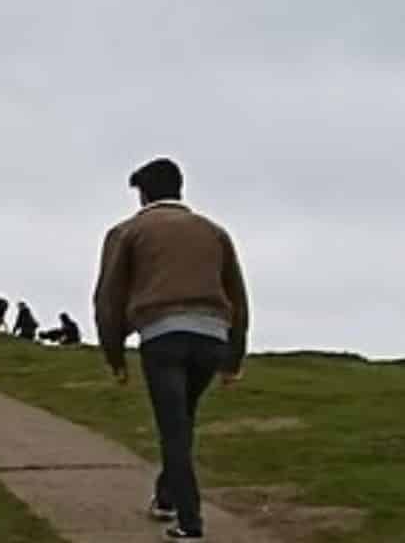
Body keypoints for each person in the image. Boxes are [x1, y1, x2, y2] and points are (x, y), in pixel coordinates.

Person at [92, 157, 250, 540]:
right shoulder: (214, 232)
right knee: (182, 421)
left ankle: (190, 521)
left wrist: (114, 355)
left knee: (173, 430)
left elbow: (108, 300)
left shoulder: (127, 232)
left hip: (163, 336)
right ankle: (166, 497)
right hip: (212, 337)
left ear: (142, 194)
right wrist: (234, 355)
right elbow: (238, 296)